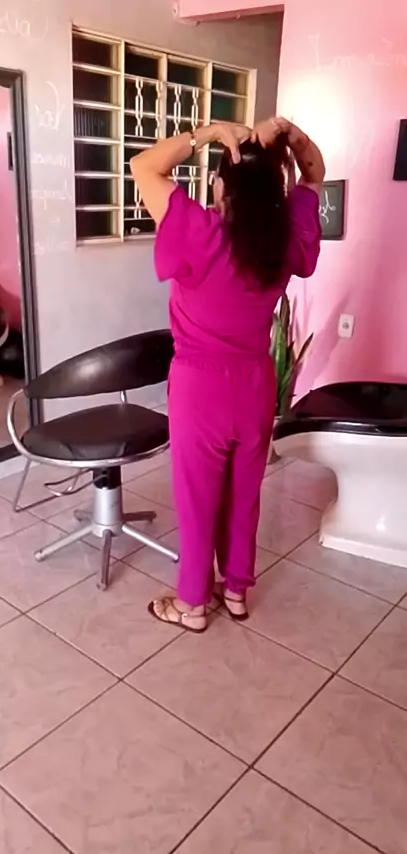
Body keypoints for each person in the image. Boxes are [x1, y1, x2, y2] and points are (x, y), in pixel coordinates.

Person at [131, 117, 325, 632]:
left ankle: (193, 604)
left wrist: (208, 133)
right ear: (274, 194)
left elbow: (144, 166)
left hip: (200, 388)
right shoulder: (282, 244)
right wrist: (295, 140)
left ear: (219, 186)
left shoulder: (199, 230)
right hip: (255, 384)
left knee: (198, 501)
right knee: (244, 496)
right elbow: (314, 175)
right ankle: (236, 591)